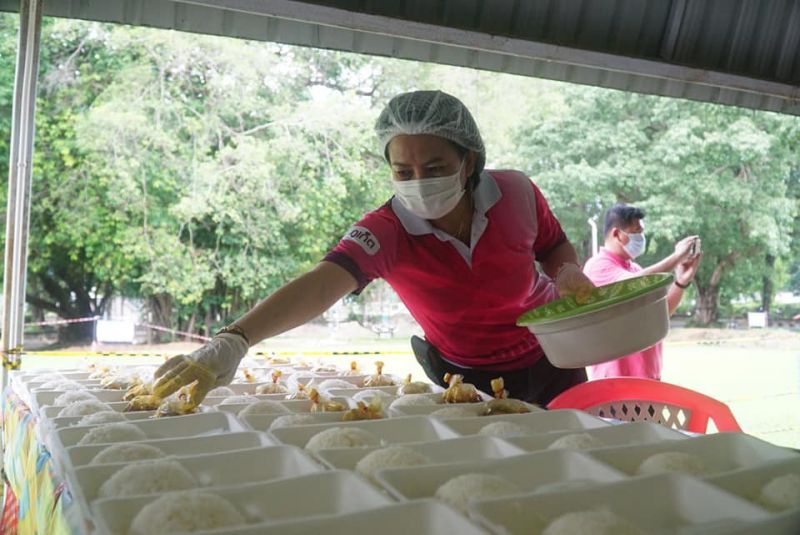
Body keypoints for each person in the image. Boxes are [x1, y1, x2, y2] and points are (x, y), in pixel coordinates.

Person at [148, 90, 595, 407]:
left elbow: (553, 244)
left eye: (435, 166)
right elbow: (321, 285)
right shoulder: (386, 230)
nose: (419, 181)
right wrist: (234, 340)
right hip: (468, 379)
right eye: (403, 171)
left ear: (470, 161)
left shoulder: (515, 192)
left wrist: (567, 271)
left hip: (554, 356)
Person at [582, 203, 702, 380]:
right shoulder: (598, 266)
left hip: (648, 376)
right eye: (636, 232)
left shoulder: (635, 269)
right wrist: (676, 257)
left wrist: (681, 282)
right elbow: (631, 285)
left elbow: (661, 313)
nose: (641, 238)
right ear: (617, 234)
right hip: (616, 380)